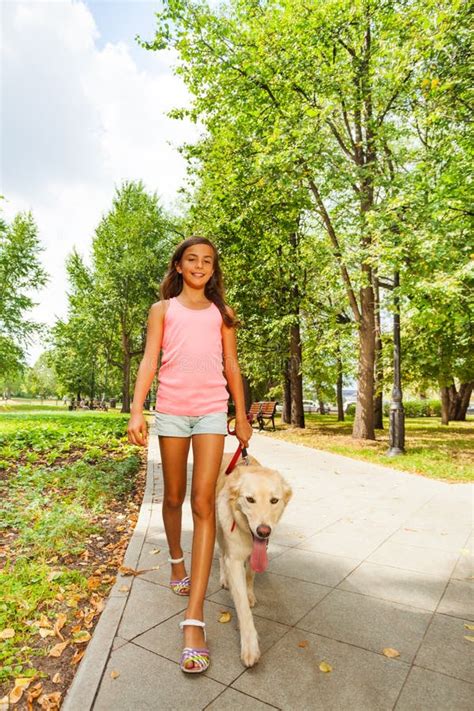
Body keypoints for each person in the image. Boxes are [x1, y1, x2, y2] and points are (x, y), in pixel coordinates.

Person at [127, 236, 252, 674]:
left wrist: (241, 414)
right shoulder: (163, 310)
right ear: (178, 266)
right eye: (192, 259)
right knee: (175, 496)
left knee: (203, 503)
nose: (200, 266)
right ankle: (177, 561)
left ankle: (194, 619)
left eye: (208, 261)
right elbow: (149, 360)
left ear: (213, 270)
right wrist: (137, 409)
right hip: (174, 413)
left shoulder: (223, 314)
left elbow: (232, 366)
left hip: (213, 413)